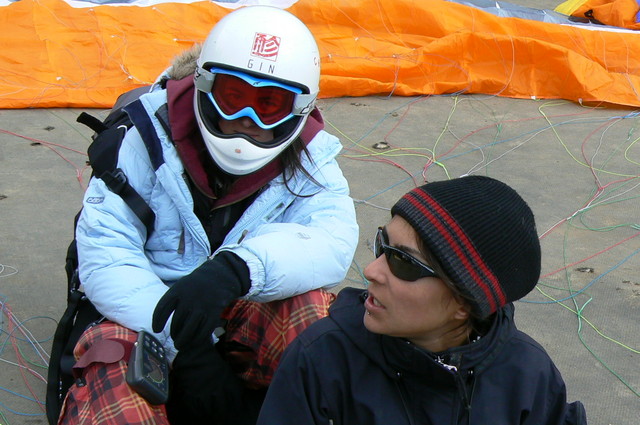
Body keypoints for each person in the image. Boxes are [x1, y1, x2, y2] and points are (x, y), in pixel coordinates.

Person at [61, 5, 358, 425]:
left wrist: (237, 270)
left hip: (239, 298)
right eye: (233, 99)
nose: (245, 122)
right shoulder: (140, 139)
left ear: (298, 109)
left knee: (316, 322)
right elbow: (107, 257)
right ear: (204, 86)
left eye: (268, 105)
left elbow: (332, 237)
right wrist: (188, 349)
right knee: (112, 390)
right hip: (143, 315)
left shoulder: (311, 155)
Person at [257, 176, 588, 425]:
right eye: (381, 244)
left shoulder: (526, 375)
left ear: (463, 304)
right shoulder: (322, 359)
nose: (371, 270)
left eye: (403, 262)